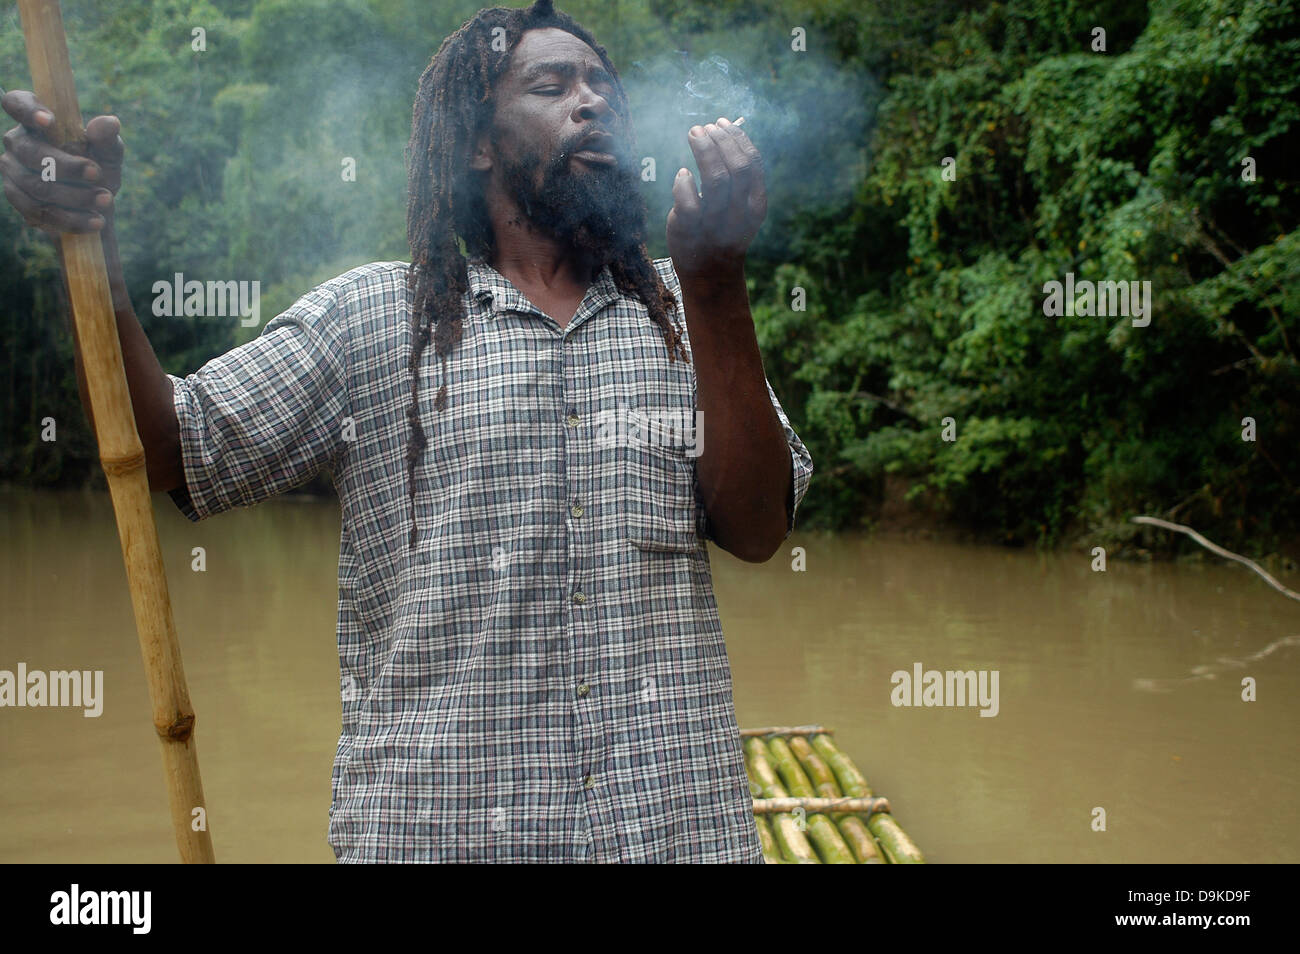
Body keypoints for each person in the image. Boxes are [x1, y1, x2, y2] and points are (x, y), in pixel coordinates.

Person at [1, 0, 813, 862]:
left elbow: (760, 528)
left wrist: (718, 280)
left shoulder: (685, 307)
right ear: (477, 143)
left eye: (603, 85)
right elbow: (172, 443)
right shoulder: (376, 319)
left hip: (674, 836)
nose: (594, 101)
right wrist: (90, 244)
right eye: (553, 84)